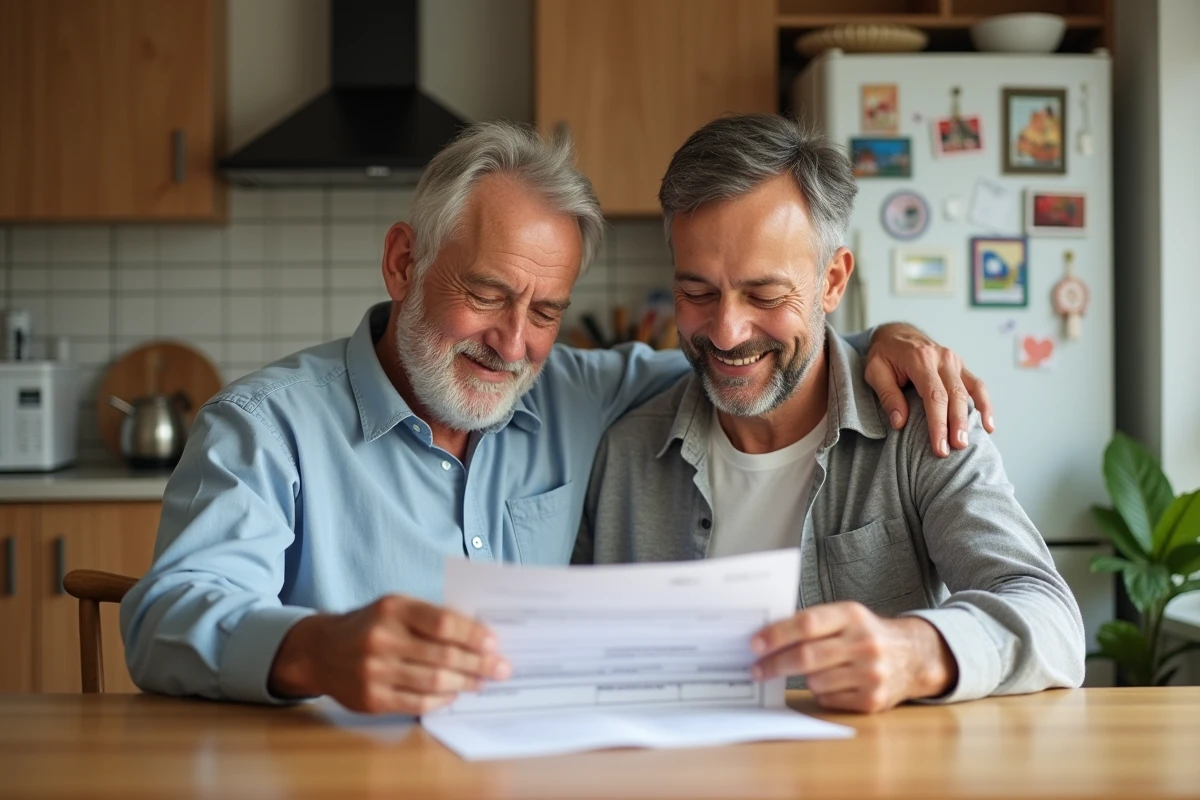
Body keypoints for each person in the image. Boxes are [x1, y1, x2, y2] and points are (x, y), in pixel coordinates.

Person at [120, 121, 994, 715]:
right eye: (487, 294)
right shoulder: (265, 427)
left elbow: (746, 359)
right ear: (402, 261)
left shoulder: (578, 390)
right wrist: (313, 650)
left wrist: (885, 339)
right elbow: (167, 616)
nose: (511, 344)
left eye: (546, 312)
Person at [574, 115, 1084, 713]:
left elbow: (1051, 619)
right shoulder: (625, 453)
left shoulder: (922, 424)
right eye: (697, 293)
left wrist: (918, 651)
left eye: (765, 295)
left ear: (832, 280)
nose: (726, 331)